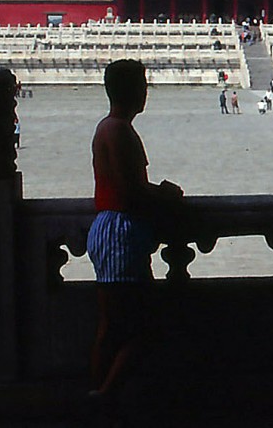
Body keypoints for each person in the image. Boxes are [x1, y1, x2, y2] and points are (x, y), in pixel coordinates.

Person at [87, 59, 183, 400]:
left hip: (110, 228)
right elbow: (131, 190)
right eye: (142, 84)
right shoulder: (119, 131)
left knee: (112, 325)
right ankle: (105, 397)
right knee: (135, 326)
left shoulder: (108, 127)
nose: (146, 91)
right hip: (120, 231)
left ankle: (101, 392)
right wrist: (166, 194)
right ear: (130, 90)